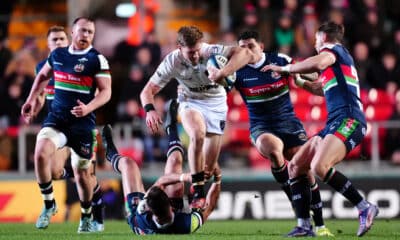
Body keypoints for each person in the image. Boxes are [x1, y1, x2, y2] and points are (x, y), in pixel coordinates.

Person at [210, 30, 333, 237]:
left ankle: (319, 225)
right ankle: (298, 207)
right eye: (242, 47)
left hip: (289, 123)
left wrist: (317, 81)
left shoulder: (279, 61)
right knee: (275, 151)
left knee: (305, 171)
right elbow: (219, 90)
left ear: (261, 46)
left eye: (250, 46)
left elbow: (306, 76)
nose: (246, 51)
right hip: (261, 126)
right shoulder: (236, 71)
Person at [261, 21, 379, 237]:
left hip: (349, 119)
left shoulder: (332, 51)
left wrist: (285, 68)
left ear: (323, 37)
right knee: (296, 166)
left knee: (319, 166)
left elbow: (318, 62)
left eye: (316, 40)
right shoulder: (336, 66)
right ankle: (304, 226)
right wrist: (299, 81)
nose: (315, 44)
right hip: (334, 122)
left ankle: (364, 207)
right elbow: (321, 89)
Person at [140, 26, 252, 209]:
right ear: (179, 48)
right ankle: (197, 191)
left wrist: (223, 72)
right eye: (190, 52)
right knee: (197, 134)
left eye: (198, 50)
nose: (195, 56)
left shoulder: (211, 51)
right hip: (189, 101)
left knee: (207, 169)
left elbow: (245, 53)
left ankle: (203, 178)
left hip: (216, 104)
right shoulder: (172, 61)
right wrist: (150, 110)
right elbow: (147, 91)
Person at [21, 17, 112, 233]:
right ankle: (49, 204)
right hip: (58, 120)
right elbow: (42, 78)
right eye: (82, 31)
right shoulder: (55, 57)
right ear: (74, 32)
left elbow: (106, 91)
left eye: (90, 32)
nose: (86, 35)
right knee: (41, 154)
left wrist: (89, 107)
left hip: (83, 125)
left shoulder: (97, 60)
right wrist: (31, 100)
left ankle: (89, 214)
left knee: (83, 176)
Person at [101, 123, 221, 234]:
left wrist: (185, 177)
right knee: (175, 161)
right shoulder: (186, 224)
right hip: (170, 215)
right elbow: (209, 207)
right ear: (170, 206)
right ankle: (172, 127)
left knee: (128, 164)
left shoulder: (142, 214)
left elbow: (160, 182)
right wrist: (217, 178)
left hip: (136, 219)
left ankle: (111, 155)